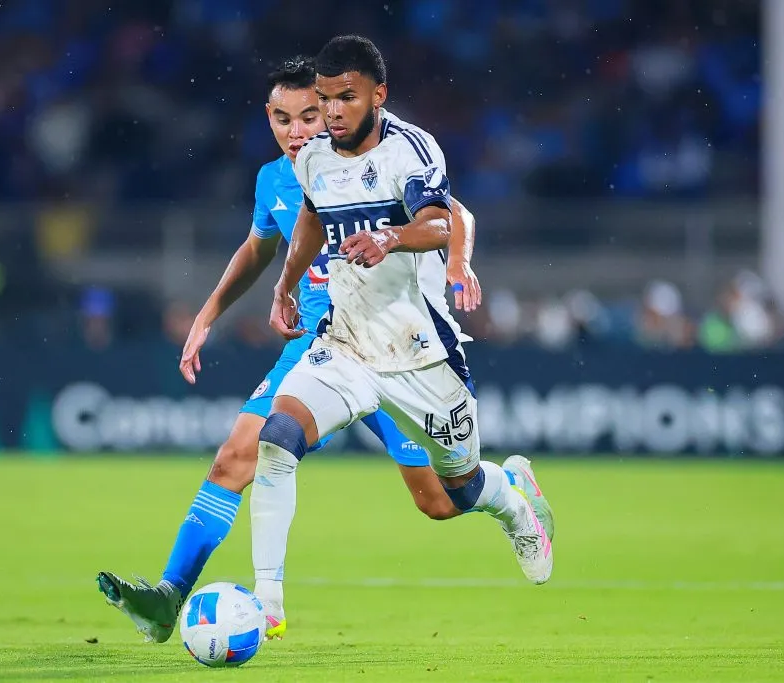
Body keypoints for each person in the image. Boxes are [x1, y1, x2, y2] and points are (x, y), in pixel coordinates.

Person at [95, 55, 523, 644]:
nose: (295, 130)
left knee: (443, 502)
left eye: (307, 116)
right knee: (240, 454)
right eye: (281, 118)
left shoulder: (375, 157)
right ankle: (177, 596)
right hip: (327, 347)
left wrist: (456, 264)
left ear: (329, 111)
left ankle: (509, 491)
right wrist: (209, 312)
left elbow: (454, 212)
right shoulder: (277, 178)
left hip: (401, 346)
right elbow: (258, 247)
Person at [249, 36, 555, 634]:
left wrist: (389, 238)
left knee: (455, 493)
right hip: (345, 345)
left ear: (377, 96)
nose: (332, 112)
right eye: (325, 99)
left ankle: (513, 496)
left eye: (346, 98)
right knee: (277, 440)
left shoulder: (409, 151)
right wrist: (285, 283)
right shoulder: (313, 157)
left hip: (420, 355)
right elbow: (312, 213)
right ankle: (268, 604)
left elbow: (442, 220)